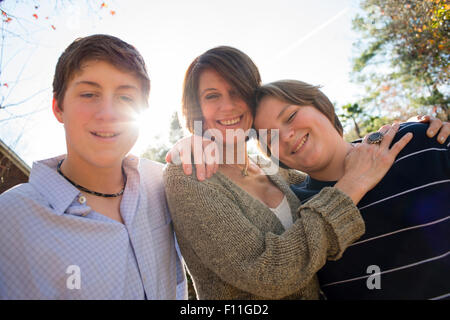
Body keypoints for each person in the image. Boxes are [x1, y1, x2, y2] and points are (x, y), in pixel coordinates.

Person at [162, 46, 423, 300]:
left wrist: (411, 133)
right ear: (195, 106)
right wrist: (351, 186)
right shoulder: (188, 175)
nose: (227, 106)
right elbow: (268, 274)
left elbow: (332, 167)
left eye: (236, 91)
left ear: (253, 98)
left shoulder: (280, 174)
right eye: (211, 96)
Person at [0, 34, 187, 299]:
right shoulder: (10, 218)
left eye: (125, 97)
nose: (108, 113)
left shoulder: (165, 183)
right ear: (58, 107)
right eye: (89, 94)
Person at [253, 79, 449, 300]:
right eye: (272, 138)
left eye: (290, 116)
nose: (287, 135)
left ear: (321, 106)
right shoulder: (294, 213)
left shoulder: (418, 141)